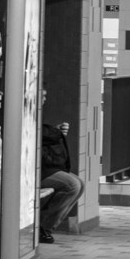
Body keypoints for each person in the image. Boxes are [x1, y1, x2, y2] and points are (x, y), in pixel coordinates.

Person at [37, 94, 82, 244]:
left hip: (43, 166)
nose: (44, 99)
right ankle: (42, 225)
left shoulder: (35, 113)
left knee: (79, 184)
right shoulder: (26, 113)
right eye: (41, 95)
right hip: (36, 170)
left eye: (45, 96)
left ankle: (45, 226)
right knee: (72, 185)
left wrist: (55, 131)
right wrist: (55, 133)